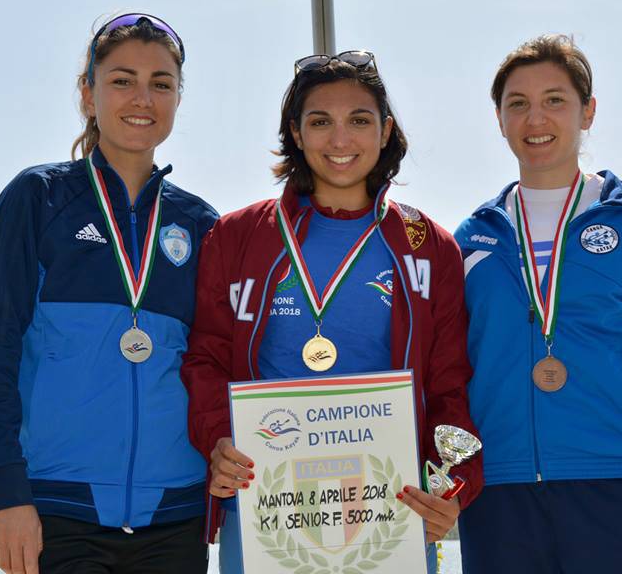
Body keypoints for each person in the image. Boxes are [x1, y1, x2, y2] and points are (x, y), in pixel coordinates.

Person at [181, 51, 483, 573]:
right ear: (295, 133)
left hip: (392, 515)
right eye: (320, 122)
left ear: (386, 131)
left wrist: (451, 488)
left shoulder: (428, 245)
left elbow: (449, 386)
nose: (340, 141)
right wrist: (218, 440)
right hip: (268, 511)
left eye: (359, 121)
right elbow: (206, 358)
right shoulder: (237, 236)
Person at [0, 13, 217, 574]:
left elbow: (216, 364)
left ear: (178, 98)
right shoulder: (39, 199)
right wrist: (5, 490)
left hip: (177, 515)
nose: (141, 98)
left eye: (161, 83)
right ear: (87, 92)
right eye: (122, 79)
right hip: (57, 511)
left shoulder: (200, 225)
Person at [453, 34, 622, 574]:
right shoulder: (471, 241)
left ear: (587, 111)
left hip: (615, 489)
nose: (535, 118)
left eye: (555, 100)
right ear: (498, 119)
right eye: (517, 104)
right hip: (497, 496)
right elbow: (449, 376)